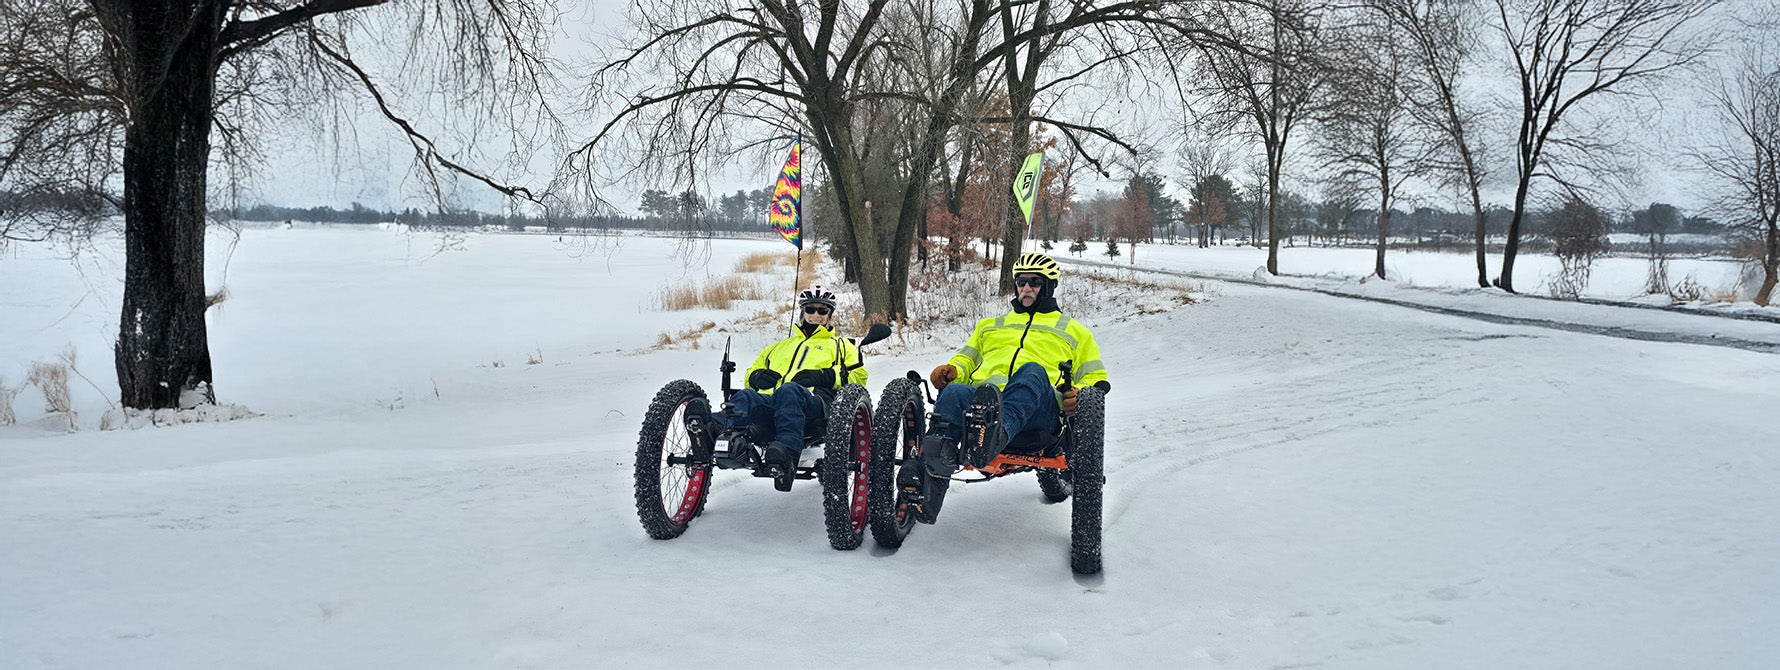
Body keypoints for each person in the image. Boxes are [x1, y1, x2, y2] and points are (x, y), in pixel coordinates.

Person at [899, 252, 1110, 522]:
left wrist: (1078, 394)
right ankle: (928, 496)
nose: (1026, 288)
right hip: (982, 407)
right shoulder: (990, 326)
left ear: (1048, 286)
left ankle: (996, 435)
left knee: (1033, 370)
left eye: (1034, 282)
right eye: (1021, 282)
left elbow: (1096, 377)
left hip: (1039, 414)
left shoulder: (1074, 331)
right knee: (953, 393)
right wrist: (953, 371)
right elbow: (966, 360)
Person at [691, 285, 867, 478]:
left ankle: (786, 450)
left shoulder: (841, 346)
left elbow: (858, 377)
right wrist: (756, 377)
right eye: (810, 309)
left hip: (815, 403)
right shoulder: (778, 347)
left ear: (829, 314)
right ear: (803, 312)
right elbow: (750, 374)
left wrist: (825, 375)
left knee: (789, 390)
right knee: (747, 396)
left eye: (822, 310)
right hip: (772, 402)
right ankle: (710, 429)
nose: (815, 315)